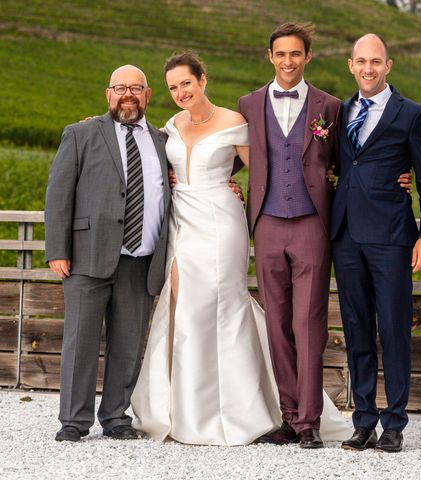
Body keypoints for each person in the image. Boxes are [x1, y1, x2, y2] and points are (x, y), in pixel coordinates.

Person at [130, 51, 350, 446]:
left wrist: (325, 175)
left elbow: (265, 168)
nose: (181, 92)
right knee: (181, 300)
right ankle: (182, 406)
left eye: (187, 83)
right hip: (183, 220)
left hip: (221, 220)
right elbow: (159, 168)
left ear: (203, 80)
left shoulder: (234, 121)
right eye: (174, 87)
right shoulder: (172, 125)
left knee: (220, 301)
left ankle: (239, 409)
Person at [237, 23, 412, 449]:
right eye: (281, 54)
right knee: (277, 325)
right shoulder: (247, 104)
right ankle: (289, 417)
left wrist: (398, 178)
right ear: (270, 56)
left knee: (309, 322)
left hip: (315, 224)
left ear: (308, 57)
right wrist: (203, 177)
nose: (288, 61)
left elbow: (352, 159)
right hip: (266, 224)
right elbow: (231, 153)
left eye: (296, 54)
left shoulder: (330, 107)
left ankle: (310, 421)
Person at [45, 65, 171, 442]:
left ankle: (116, 417)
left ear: (148, 95)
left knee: (129, 344)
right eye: (120, 88)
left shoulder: (165, 142)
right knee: (80, 341)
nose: (127, 94)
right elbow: (58, 194)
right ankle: (74, 420)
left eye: (136, 88)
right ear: (108, 94)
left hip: (141, 258)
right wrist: (57, 249)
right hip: (86, 256)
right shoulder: (81, 133)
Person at [332, 33, 421, 453]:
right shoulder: (340, 112)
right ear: (351, 64)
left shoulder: (412, 114)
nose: (368, 68)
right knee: (357, 329)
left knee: (395, 331)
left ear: (388, 66)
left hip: (393, 239)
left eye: (375, 62)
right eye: (361, 61)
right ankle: (363, 420)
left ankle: (395, 421)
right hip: (345, 237)